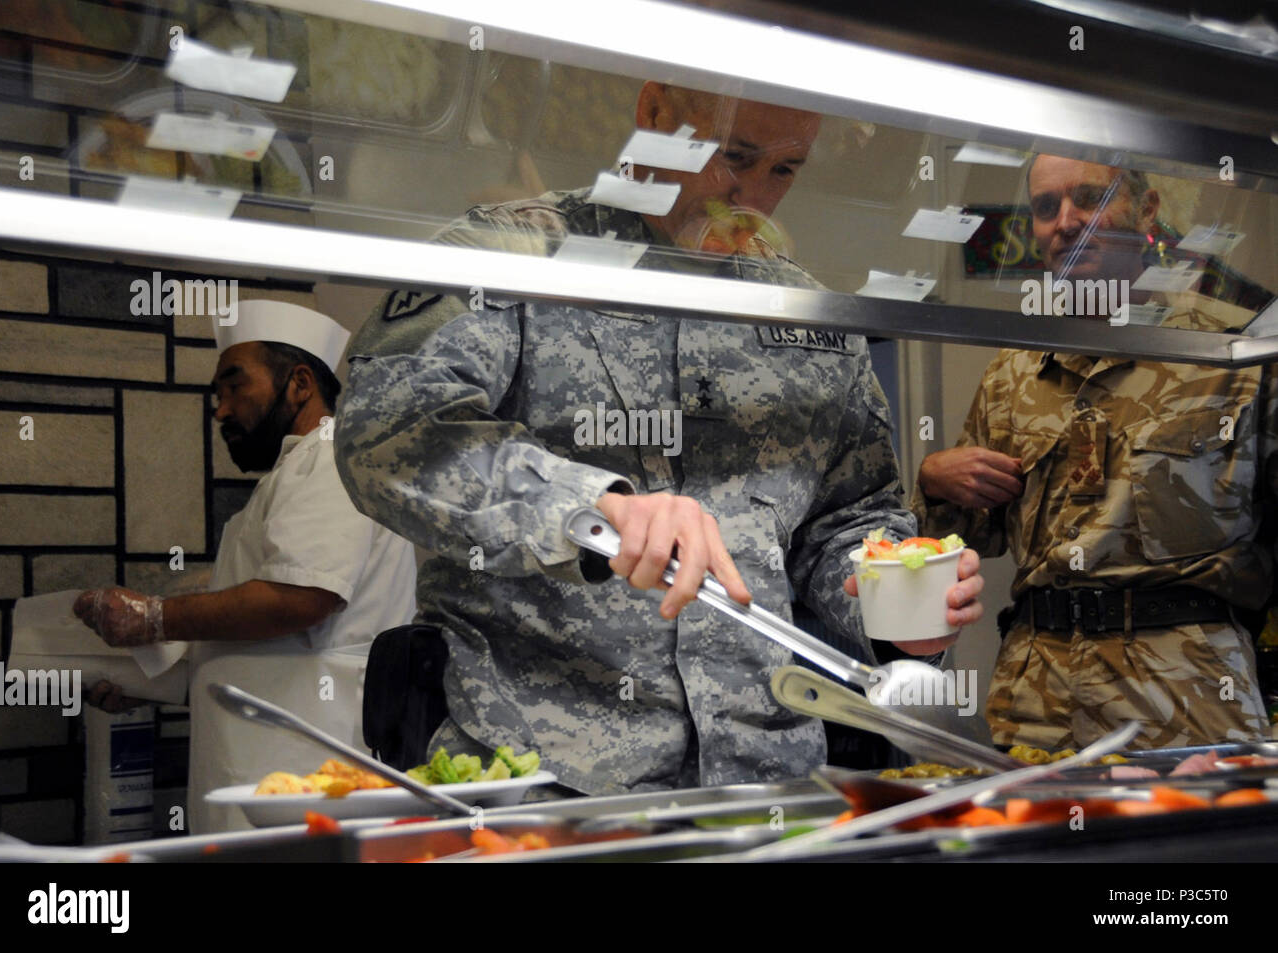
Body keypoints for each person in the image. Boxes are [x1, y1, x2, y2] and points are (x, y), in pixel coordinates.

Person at [333, 83, 985, 796]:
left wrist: (889, 604)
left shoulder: (806, 315)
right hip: (542, 781)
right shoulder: (516, 252)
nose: (753, 195)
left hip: (766, 782)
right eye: (734, 156)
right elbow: (387, 429)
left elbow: (850, 517)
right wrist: (592, 509)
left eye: (785, 169)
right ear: (655, 114)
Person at [912, 154, 1273, 750]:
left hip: (1187, 685)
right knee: (1024, 839)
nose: (1067, 221)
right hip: (1035, 685)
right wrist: (932, 484)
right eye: (1046, 208)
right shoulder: (1014, 370)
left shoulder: (1232, 353)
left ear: (1147, 209)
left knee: (1191, 841)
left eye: (1090, 199)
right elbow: (968, 542)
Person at [74, 300, 417, 832]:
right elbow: (259, 645)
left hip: (308, 771)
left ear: (300, 383)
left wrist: (154, 617)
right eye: (217, 394)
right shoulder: (285, 478)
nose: (221, 410)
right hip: (263, 766)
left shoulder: (331, 460)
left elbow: (300, 600)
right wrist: (152, 681)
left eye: (235, 386)